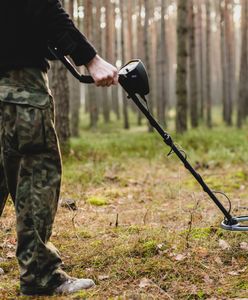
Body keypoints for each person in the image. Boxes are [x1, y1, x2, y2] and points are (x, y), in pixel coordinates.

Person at [0, 0, 118, 296]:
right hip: (17, 83)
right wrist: (90, 58)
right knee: (36, 171)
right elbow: (40, 6)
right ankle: (40, 274)